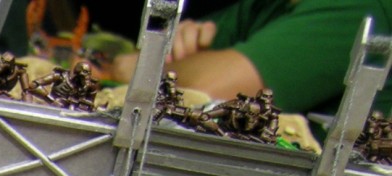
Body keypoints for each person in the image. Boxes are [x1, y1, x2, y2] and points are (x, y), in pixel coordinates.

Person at [107, 0, 392, 114]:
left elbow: (203, 92)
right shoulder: (267, 5)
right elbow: (146, 58)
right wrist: (157, 61)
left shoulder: (363, 7)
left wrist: (149, 66)